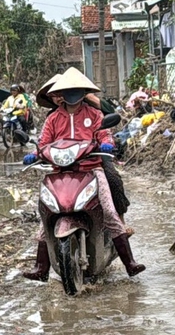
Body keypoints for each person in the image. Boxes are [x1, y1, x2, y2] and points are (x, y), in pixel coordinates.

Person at [21, 68, 146, 282]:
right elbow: (43, 142)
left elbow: (104, 133)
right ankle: (41, 266)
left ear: (83, 91)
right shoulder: (53, 118)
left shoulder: (94, 114)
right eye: (67, 90)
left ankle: (129, 263)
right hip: (60, 172)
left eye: (75, 89)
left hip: (91, 168)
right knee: (45, 216)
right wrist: (35, 154)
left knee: (108, 211)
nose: (71, 93)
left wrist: (107, 143)